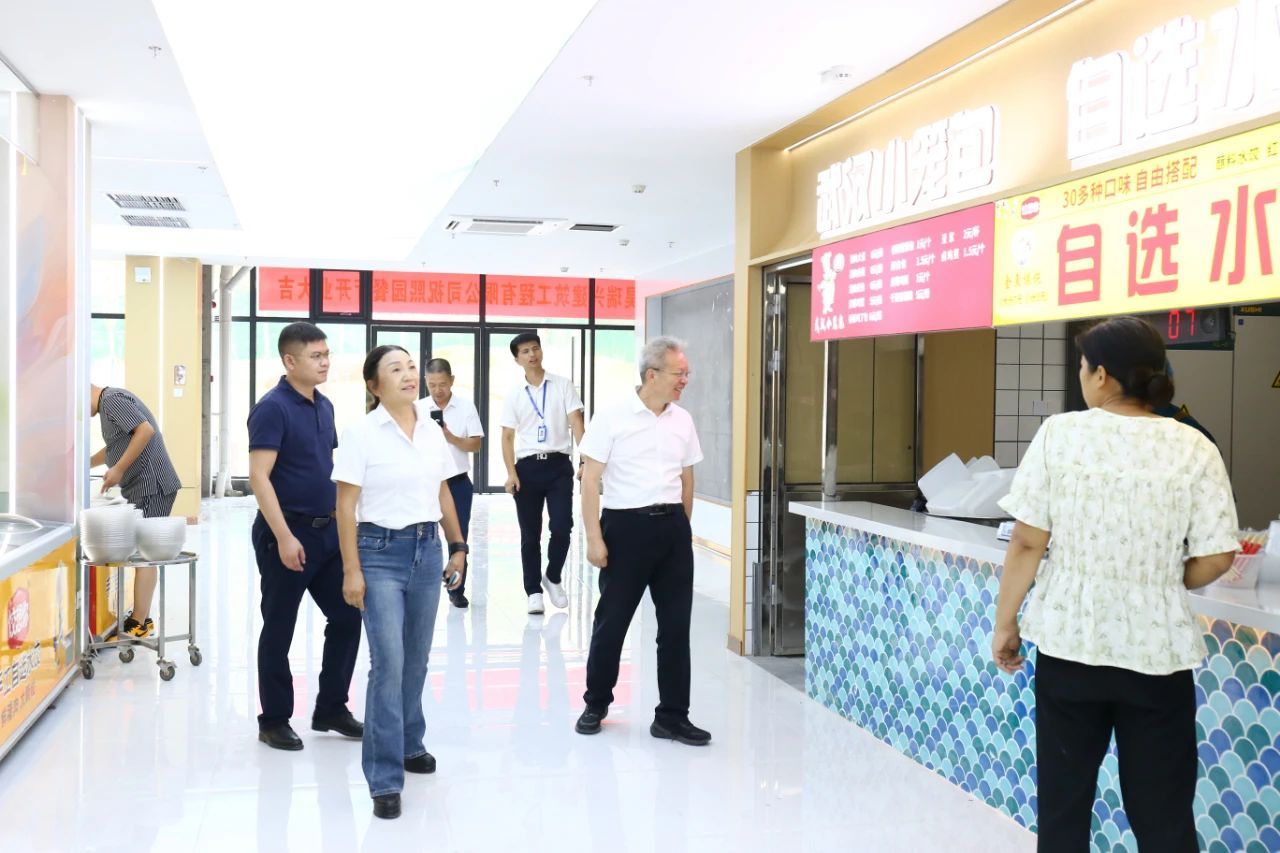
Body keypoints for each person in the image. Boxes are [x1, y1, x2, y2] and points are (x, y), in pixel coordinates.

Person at [992, 316, 1239, 851]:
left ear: (1101, 375)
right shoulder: (1194, 446)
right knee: (1164, 816)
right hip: (1158, 655)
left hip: (1070, 646)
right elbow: (1219, 556)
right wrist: (1162, 578)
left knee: (1064, 808)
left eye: (1083, 367)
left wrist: (1005, 623)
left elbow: (1027, 542)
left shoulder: (1061, 434)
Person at [333, 344, 468, 820]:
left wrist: (458, 545)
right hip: (378, 552)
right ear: (374, 385)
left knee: (416, 659)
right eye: (396, 369)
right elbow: (345, 506)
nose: (409, 374)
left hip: (427, 551)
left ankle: (411, 742)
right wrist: (352, 569)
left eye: (411, 366)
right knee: (388, 663)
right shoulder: (361, 434)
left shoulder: (431, 430)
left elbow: (443, 490)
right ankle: (384, 777)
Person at [575, 336, 710, 746]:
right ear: (652, 375)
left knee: (675, 628)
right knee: (612, 622)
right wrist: (594, 538)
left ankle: (672, 716)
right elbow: (590, 480)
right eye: (678, 373)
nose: (684, 380)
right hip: (625, 529)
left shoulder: (682, 420)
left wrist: (682, 527)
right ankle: (596, 703)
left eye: (686, 373)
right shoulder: (613, 416)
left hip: (672, 530)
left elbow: (687, 477)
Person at [248, 322, 363, 751]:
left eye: (327, 354)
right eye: (316, 356)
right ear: (290, 360)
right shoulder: (272, 408)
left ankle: (331, 707)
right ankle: (274, 719)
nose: (325, 362)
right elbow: (259, 477)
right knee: (280, 626)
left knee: (348, 615)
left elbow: (323, 467)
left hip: (326, 532)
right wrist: (283, 536)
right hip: (287, 532)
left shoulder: (324, 405)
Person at [499, 332, 584, 614]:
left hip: (559, 466)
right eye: (525, 351)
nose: (532, 354)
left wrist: (585, 461)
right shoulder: (514, 394)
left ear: (541, 351)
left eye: (535, 348)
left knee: (562, 525)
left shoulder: (562, 385)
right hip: (527, 468)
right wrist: (511, 473)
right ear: (517, 359)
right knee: (530, 534)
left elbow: (577, 423)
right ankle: (533, 591)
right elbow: (507, 437)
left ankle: (553, 576)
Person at [90, 384, 182, 638]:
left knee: (145, 554)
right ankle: (142, 617)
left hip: (151, 485)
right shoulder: (109, 404)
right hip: (146, 486)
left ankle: (138, 622)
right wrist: (83, 463)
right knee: (143, 552)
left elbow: (145, 430)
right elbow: (115, 447)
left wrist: (118, 469)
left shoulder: (111, 400)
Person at [423, 358, 483, 609]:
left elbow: (476, 444)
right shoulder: (417, 408)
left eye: (443, 384)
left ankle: (456, 588)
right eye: (432, 385)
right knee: (423, 535)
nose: (438, 390)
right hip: (426, 482)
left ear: (452, 381)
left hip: (457, 482)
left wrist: (449, 436)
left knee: (458, 537)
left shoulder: (465, 407)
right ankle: (423, 588)